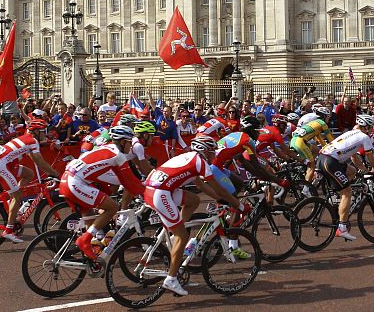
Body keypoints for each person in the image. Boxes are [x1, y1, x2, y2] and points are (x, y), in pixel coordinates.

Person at [143, 137, 243, 297]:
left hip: (156, 189)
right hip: (160, 193)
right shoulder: (200, 163)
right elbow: (219, 188)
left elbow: (201, 186)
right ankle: (171, 279)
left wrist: (220, 199)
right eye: (212, 152)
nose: (214, 156)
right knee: (183, 236)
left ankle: (174, 237)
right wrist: (238, 204)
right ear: (205, 151)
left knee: (193, 200)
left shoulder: (191, 158)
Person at [61, 125, 145, 259]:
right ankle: (84, 240)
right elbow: (131, 181)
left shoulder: (108, 148)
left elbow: (124, 181)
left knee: (90, 216)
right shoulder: (118, 155)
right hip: (75, 183)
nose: (131, 146)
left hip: (67, 180)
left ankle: (90, 256)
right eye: (130, 142)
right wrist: (148, 192)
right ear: (122, 142)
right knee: (112, 207)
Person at [0, 120, 61, 242]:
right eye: (43, 131)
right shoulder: (33, 141)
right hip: (1, 166)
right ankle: (8, 230)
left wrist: (49, 171)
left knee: (29, 174)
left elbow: (33, 158)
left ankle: (13, 203)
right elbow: (40, 162)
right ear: (36, 132)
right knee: (17, 196)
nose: (45, 134)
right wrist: (56, 174)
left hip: (2, 163)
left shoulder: (26, 138)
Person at [317, 114, 374, 241]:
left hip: (324, 159)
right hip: (330, 162)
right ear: (366, 127)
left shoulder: (351, 133)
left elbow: (354, 157)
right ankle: (342, 228)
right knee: (347, 192)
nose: (372, 131)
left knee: (352, 171)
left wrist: (363, 170)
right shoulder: (364, 137)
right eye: (371, 128)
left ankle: (336, 199)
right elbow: (371, 159)